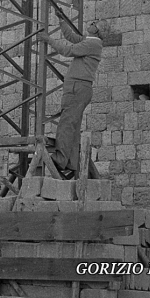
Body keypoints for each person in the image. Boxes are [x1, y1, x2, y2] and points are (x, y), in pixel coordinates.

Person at [38, 11, 110, 175]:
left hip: (77, 86)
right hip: (81, 87)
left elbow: (67, 50)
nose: (91, 24)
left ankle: (61, 159)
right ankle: (71, 162)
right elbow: (71, 37)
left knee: (66, 123)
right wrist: (62, 20)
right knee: (73, 126)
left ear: (97, 31)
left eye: (94, 23)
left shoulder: (92, 44)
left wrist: (48, 39)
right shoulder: (90, 42)